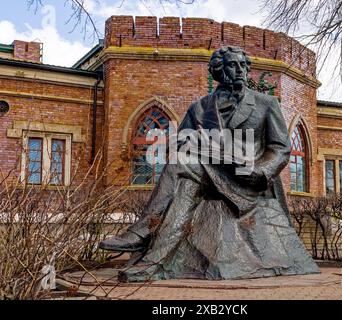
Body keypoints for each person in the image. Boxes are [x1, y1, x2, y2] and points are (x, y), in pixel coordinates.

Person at [99, 46, 319, 282]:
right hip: (211, 175)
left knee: (183, 175)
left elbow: (280, 148)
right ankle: (152, 259)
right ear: (219, 71)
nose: (240, 70)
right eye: (233, 65)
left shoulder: (266, 103)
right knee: (181, 167)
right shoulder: (200, 107)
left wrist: (261, 171)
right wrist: (201, 146)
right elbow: (181, 143)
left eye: (243, 66)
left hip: (247, 178)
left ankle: (144, 239)